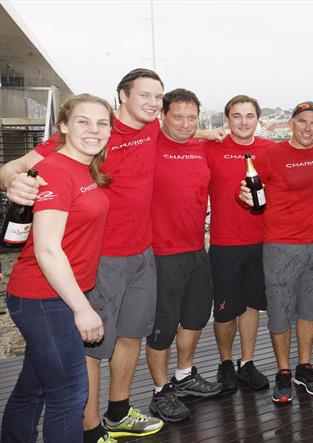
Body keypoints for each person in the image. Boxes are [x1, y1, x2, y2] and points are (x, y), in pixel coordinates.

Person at [1, 68, 169, 441]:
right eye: (145, 95)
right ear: (122, 96)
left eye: (158, 97)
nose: (153, 104)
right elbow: (16, 168)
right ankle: (90, 427)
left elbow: (188, 131)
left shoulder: (149, 128)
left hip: (141, 253)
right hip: (93, 263)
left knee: (128, 336)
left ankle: (118, 413)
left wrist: (215, 132)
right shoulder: (80, 144)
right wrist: (11, 182)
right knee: (87, 354)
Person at [1, 94, 111, 442]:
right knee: (69, 396)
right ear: (63, 127)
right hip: (45, 299)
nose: (94, 130)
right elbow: (47, 249)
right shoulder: (55, 171)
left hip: (56, 295)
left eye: (102, 123)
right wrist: (82, 308)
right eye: (83, 121)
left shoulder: (83, 167)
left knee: (34, 388)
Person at [241, 101, 313, 403]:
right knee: (280, 314)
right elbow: (247, 192)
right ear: (291, 123)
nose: (308, 128)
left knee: (310, 311)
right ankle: (282, 371)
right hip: (280, 247)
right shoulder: (270, 155)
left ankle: (303, 366)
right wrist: (243, 195)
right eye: (302, 122)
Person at [145, 88, 223, 423]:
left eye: (192, 117)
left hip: (196, 249)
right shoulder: (149, 145)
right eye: (178, 116)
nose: (185, 124)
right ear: (162, 115)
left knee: (195, 317)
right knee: (162, 326)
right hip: (160, 252)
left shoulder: (203, 147)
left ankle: (184, 376)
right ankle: (161, 391)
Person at [205, 95, 273, 393]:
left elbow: (304, 147)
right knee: (224, 310)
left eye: (249, 116)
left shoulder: (271, 150)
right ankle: (225, 362)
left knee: (251, 306)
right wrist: (200, 132)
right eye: (237, 116)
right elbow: (169, 135)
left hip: (261, 242)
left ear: (258, 119)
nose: (243, 122)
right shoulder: (211, 148)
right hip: (224, 243)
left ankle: (246, 362)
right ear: (227, 119)